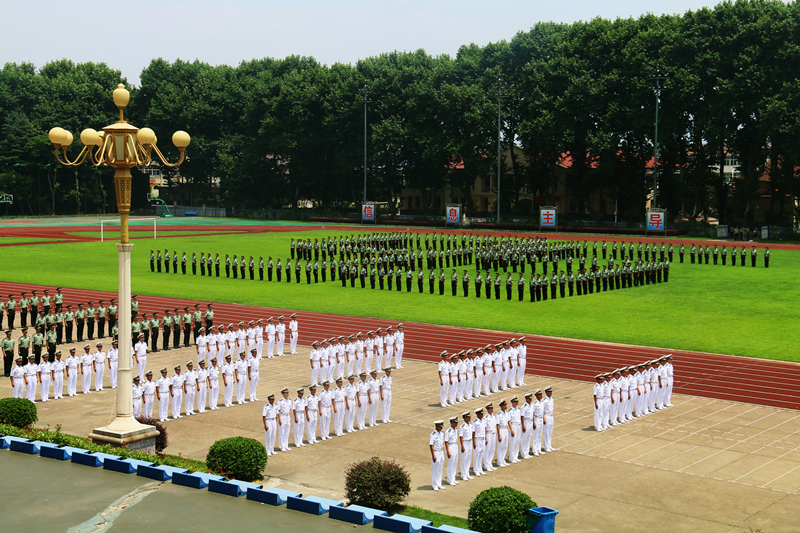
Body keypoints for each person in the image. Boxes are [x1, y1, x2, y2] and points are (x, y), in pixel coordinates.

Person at [430, 420, 446, 491]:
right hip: (436, 452)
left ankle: (439, 483)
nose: (441, 428)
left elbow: (442, 444)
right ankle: (434, 484)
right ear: (436, 426)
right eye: (440, 427)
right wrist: (433, 455)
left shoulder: (442, 434)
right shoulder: (433, 434)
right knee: (435, 469)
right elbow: (431, 445)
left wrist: (443, 452)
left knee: (440, 469)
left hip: (441, 452)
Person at [444, 416, 460, 485]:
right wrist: (448, 451)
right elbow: (446, 442)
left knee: (455, 463)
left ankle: (453, 478)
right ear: (452, 423)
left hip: (455, 445)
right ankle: (449, 479)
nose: (456, 424)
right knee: (450, 464)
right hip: (450, 446)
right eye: (455, 423)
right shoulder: (448, 431)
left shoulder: (456, 430)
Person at [459, 412, 474, 481]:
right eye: (468, 417)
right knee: (464, 459)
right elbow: (461, 437)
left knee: (468, 458)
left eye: (469, 417)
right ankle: (463, 475)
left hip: (470, 442)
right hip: (465, 442)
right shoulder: (462, 426)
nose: (469, 418)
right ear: (465, 418)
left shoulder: (470, 425)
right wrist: (462, 445)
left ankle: (467, 473)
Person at [542, 386, 556, 452]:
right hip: (546, 416)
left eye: (551, 392)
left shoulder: (551, 399)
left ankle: (550, 445)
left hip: (551, 416)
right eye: (549, 392)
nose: (550, 393)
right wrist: (544, 418)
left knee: (550, 431)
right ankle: (546, 446)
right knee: (546, 432)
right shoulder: (544, 400)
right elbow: (542, 410)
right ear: (546, 392)